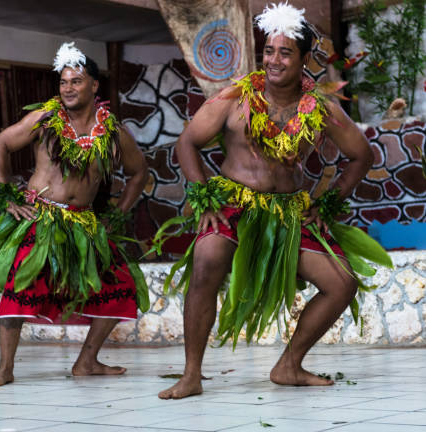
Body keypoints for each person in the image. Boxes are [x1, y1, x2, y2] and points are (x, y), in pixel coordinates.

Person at [156, 3, 391, 399]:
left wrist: (328, 202)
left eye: (285, 52)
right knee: (207, 260)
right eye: (268, 50)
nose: (274, 60)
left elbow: (362, 155)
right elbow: (187, 143)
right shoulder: (236, 97)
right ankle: (192, 373)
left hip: (288, 211)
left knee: (341, 282)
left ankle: (289, 364)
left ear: (302, 58)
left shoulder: (320, 109)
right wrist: (204, 198)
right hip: (233, 203)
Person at [0, 42, 149, 387]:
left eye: (76, 81)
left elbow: (139, 173)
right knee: (19, 287)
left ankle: (86, 361)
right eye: (63, 82)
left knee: (121, 286)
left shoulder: (112, 132)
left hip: (84, 223)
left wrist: (119, 212)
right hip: (40, 217)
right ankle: (5, 368)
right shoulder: (45, 120)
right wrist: (6, 196)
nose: (67, 88)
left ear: (94, 86)